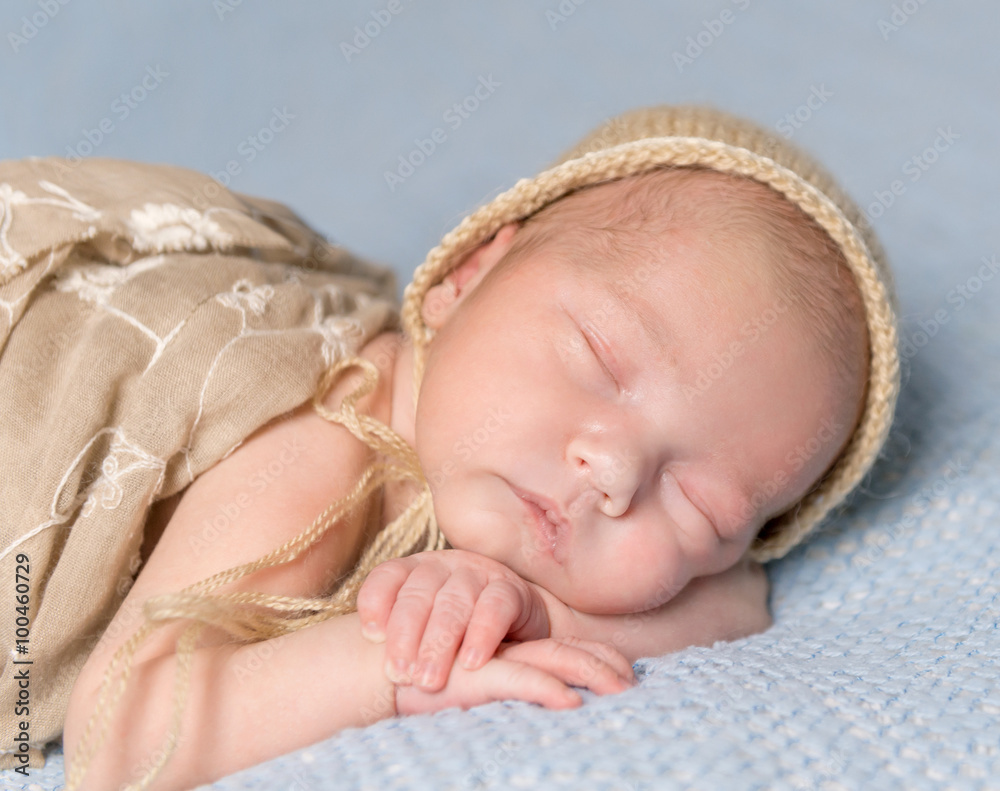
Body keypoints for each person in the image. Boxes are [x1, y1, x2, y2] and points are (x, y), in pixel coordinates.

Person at [54, 105, 899, 790]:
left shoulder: (524, 493)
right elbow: (120, 738)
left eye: (701, 503)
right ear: (465, 276)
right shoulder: (324, 436)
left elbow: (740, 601)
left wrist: (531, 611)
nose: (612, 471)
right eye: (598, 357)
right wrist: (405, 658)